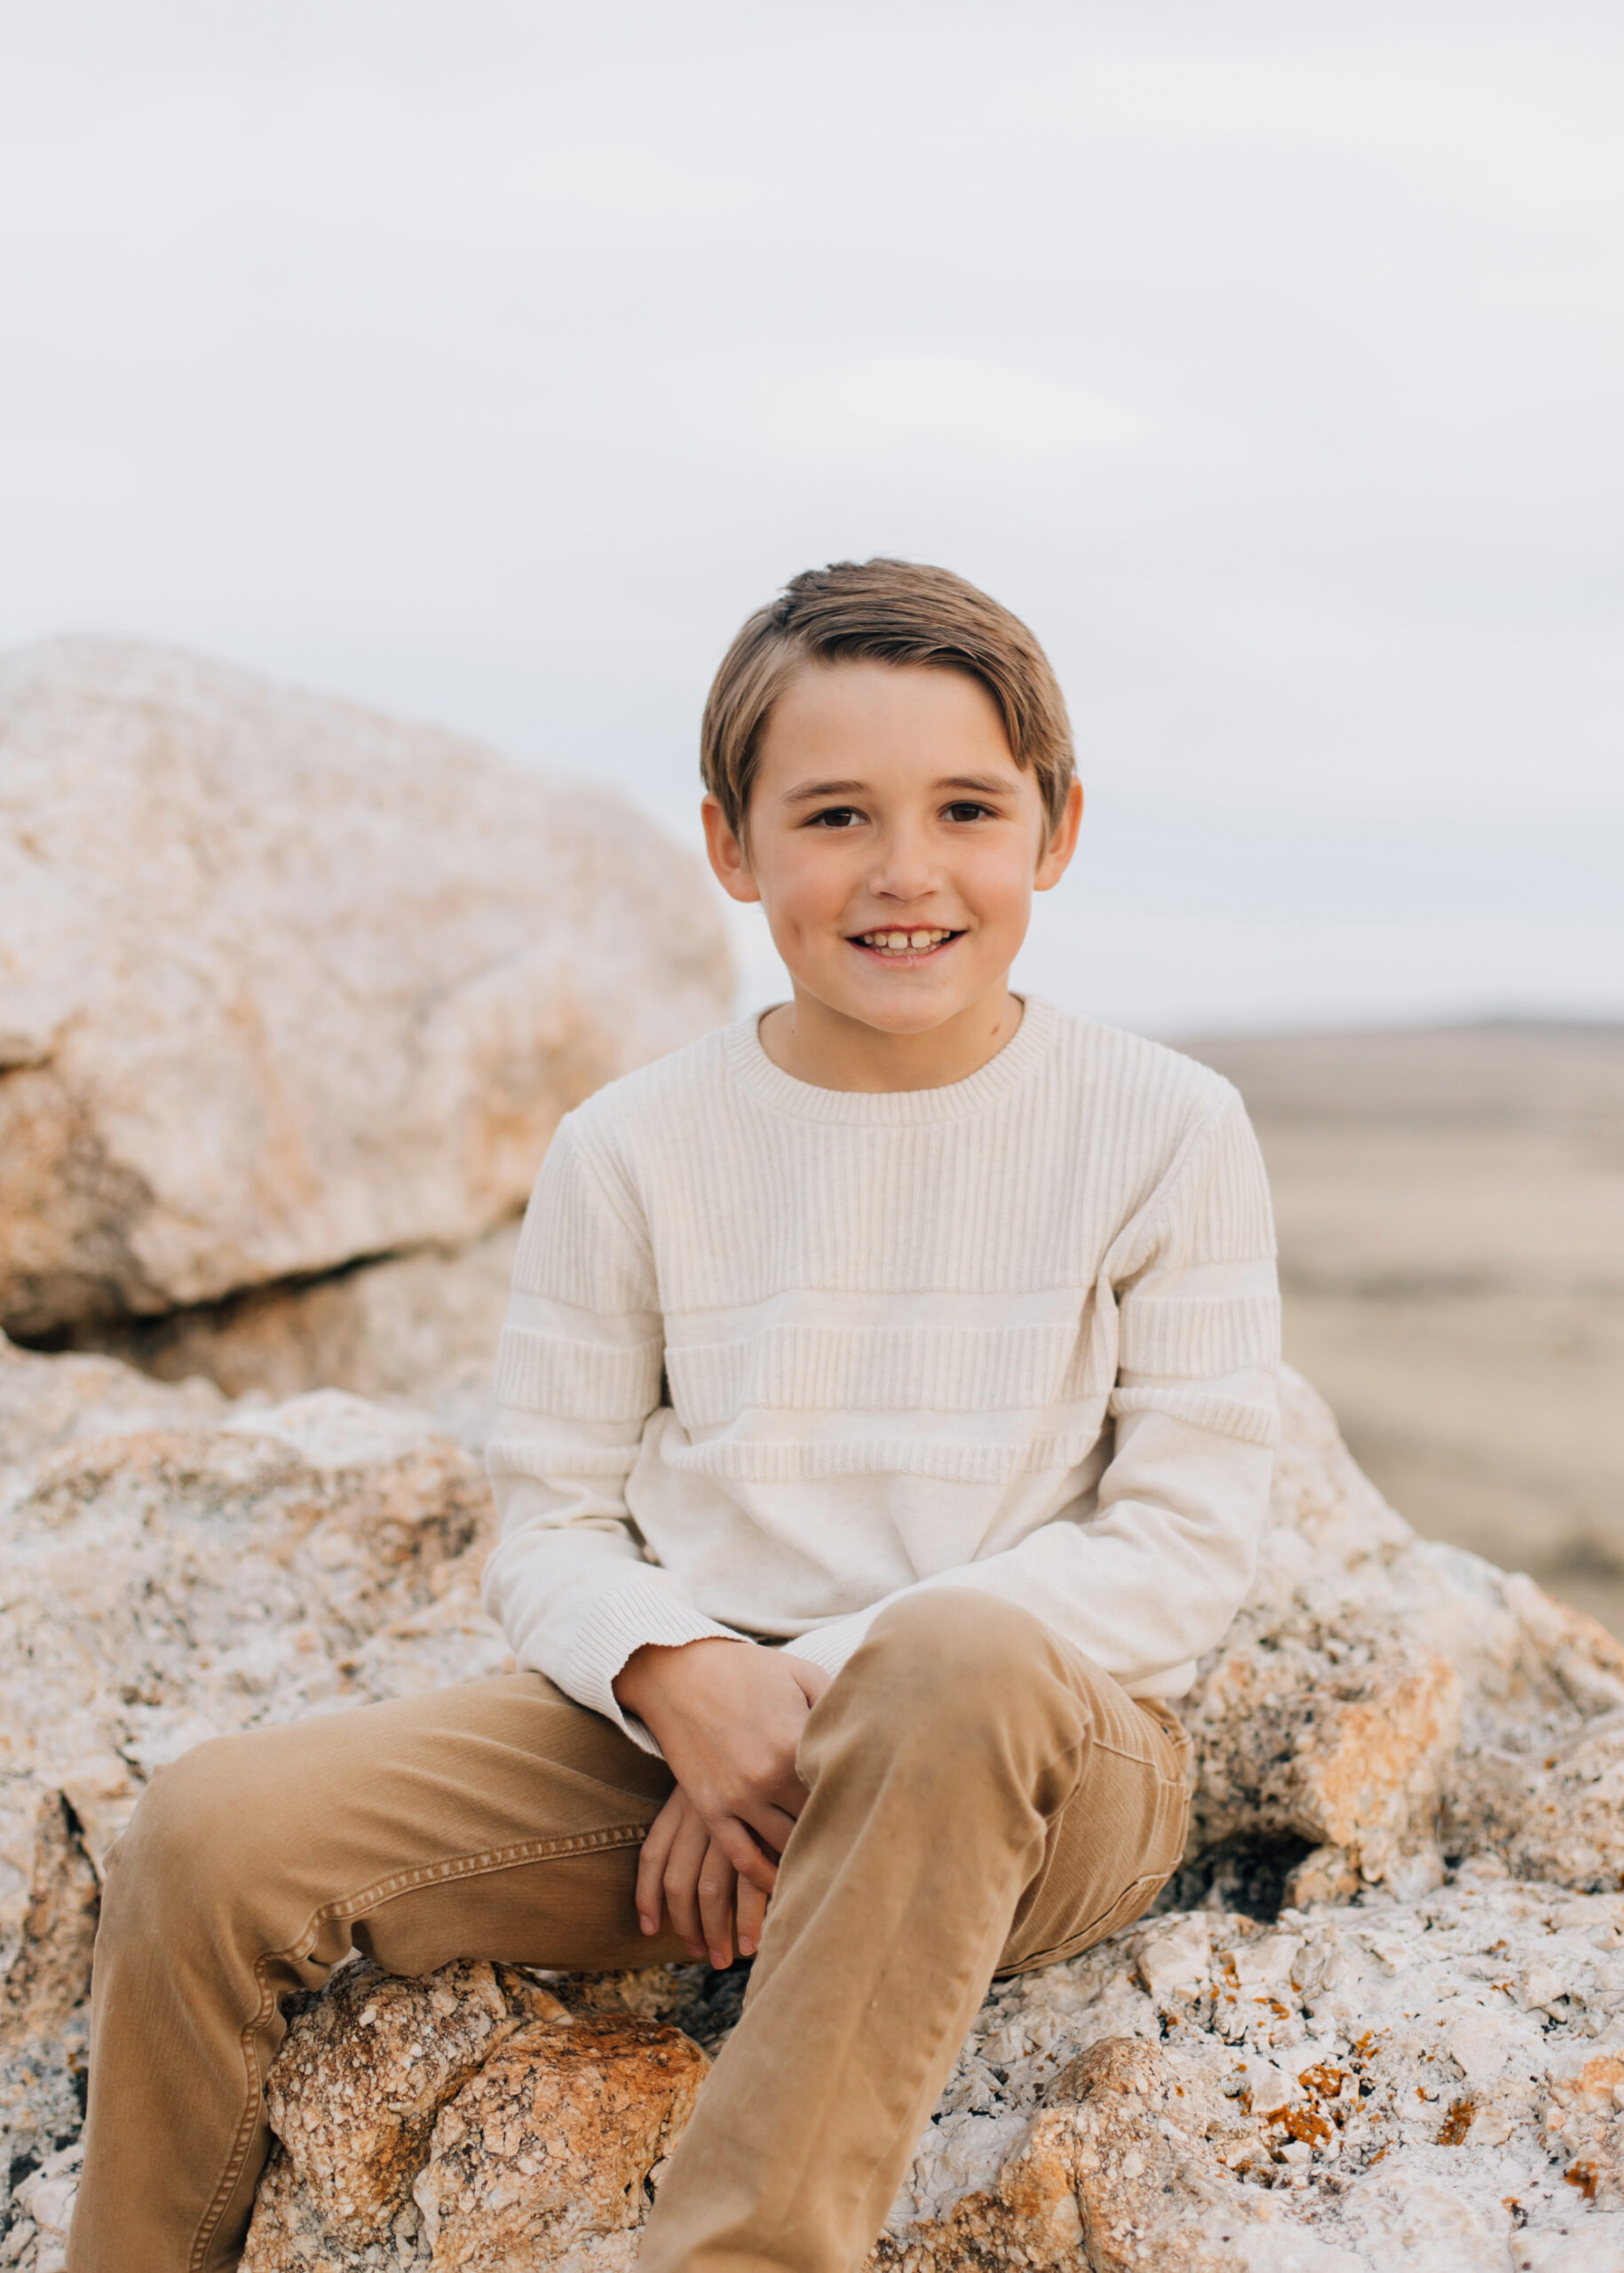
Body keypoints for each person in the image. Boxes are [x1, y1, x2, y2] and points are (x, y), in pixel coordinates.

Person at [69, 558, 1279, 2273]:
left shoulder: (1165, 1125)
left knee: (950, 1657)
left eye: (964, 809)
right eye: (836, 815)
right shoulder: (633, 1145)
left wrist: (786, 1704)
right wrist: (677, 1678)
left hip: (1033, 1758)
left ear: (1055, 828)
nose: (905, 872)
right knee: (205, 1836)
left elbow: (1181, 1544)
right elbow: (550, 1517)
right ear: (732, 845)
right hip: (670, 1736)